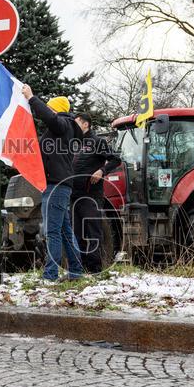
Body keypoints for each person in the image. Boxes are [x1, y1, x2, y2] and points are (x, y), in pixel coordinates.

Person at [21, 85, 84, 281]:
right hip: (59, 185)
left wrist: (32, 98)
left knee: (52, 232)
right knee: (64, 230)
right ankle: (75, 270)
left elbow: (51, 118)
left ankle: (50, 274)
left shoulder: (63, 124)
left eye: (50, 108)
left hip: (56, 185)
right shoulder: (62, 130)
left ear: (56, 110)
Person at [71, 114, 121, 273]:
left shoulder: (98, 142)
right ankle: (80, 268)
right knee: (77, 233)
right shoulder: (73, 143)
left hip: (91, 195)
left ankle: (95, 269)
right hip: (73, 195)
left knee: (93, 232)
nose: (73, 126)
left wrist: (101, 171)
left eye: (77, 123)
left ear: (86, 124)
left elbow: (115, 160)